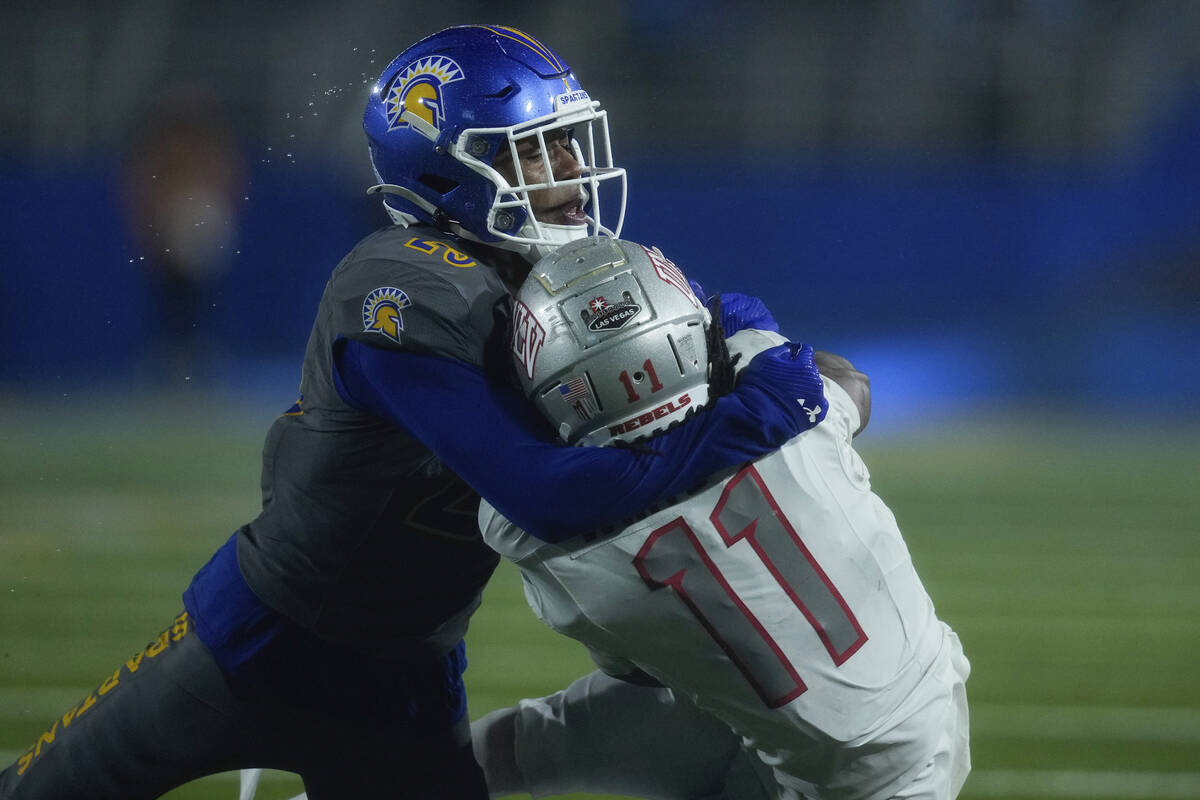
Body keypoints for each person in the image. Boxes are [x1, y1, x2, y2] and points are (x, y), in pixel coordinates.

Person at [0, 25, 831, 800]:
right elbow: (551, 494)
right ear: (449, 170)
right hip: (259, 642)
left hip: (409, 681)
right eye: (540, 150)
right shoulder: (400, 287)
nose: (575, 170)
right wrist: (761, 413)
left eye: (571, 142)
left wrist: (766, 354)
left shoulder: (551, 275)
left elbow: (694, 348)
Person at [470, 237, 971, 800]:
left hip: (792, 735)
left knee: (512, 748)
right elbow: (851, 383)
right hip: (903, 747)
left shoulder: (546, 542)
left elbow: (636, 674)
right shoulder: (799, 420)